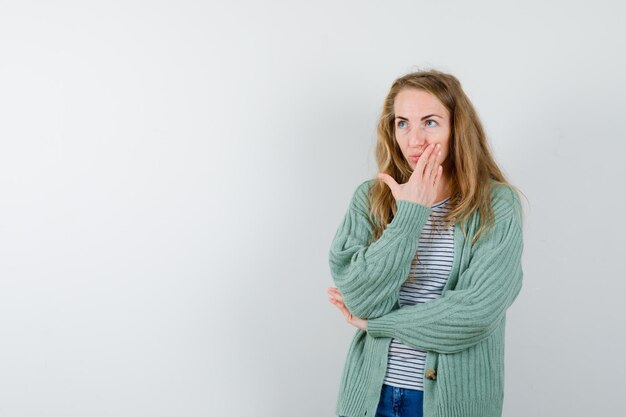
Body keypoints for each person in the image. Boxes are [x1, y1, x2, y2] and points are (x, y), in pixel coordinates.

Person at [326, 69, 524, 417]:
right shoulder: (370, 199)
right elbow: (359, 297)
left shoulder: (497, 204)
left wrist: (379, 325)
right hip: (370, 400)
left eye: (429, 122)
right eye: (402, 123)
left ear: (456, 128)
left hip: (454, 403)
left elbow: (475, 314)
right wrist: (411, 214)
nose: (413, 139)